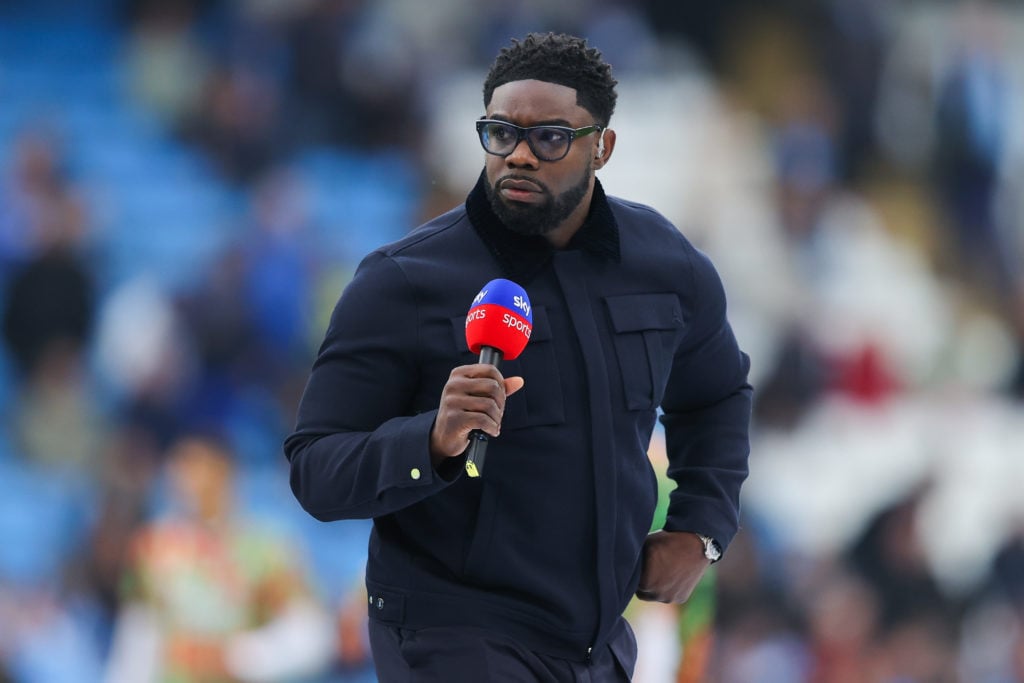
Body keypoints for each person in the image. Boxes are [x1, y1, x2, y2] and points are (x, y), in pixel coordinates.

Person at [285, 32, 752, 681]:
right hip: (451, 633)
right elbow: (316, 468)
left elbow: (718, 393)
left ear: (602, 146)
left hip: (597, 644)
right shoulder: (403, 280)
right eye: (500, 133)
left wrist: (701, 529)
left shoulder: (664, 263)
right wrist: (432, 442)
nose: (520, 155)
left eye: (550, 138)